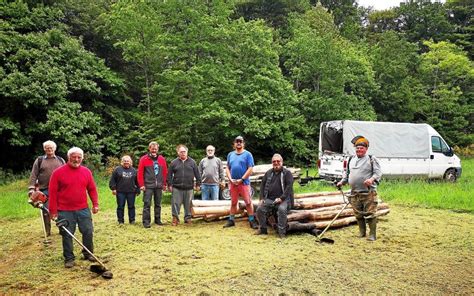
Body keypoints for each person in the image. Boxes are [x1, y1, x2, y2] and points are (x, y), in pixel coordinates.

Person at [48, 147, 99, 268]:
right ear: (68, 157)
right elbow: (52, 193)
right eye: (74, 157)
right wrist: (53, 211)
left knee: (88, 231)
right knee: (67, 234)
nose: (76, 160)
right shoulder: (58, 173)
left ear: (82, 158)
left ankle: (88, 253)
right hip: (64, 211)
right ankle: (69, 258)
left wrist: (95, 204)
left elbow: (92, 189)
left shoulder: (86, 172)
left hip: (83, 209)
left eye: (79, 157)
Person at [337, 136, 382, 241]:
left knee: (370, 214)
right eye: (357, 148)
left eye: (361, 148)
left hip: (368, 192)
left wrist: (371, 180)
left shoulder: (371, 159)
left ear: (366, 149)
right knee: (358, 214)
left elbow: (378, 173)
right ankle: (362, 232)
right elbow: (347, 174)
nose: (359, 150)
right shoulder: (351, 159)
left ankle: (372, 235)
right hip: (355, 193)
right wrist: (342, 182)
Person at [27, 140, 65, 236]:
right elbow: (33, 175)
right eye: (47, 147)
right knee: (46, 211)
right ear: (44, 149)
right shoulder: (39, 160)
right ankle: (47, 231)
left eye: (51, 147)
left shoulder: (60, 160)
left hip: (59, 189)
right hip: (44, 189)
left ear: (55, 149)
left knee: (61, 210)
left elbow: (66, 173)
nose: (49, 149)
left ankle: (62, 229)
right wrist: (31, 188)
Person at [223, 136, 258, 229]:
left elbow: (250, 168)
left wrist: (242, 179)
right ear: (234, 144)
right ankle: (231, 220)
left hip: (244, 183)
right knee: (233, 202)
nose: (238, 143)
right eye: (237, 141)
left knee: (248, 202)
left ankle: (251, 220)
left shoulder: (248, 154)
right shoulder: (230, 154)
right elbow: (227, 167)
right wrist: (230, 179)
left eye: (240, 141)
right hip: (233, 183)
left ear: (243, 143)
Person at [256, 154, 294, 238]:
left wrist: (281, 198)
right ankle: (263, 230)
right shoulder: (269, 173)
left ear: (282, 162)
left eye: (278, 161)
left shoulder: (287, 173)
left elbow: (289, 187)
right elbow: (262, 185)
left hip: (284, 200)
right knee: (260, 209)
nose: (276, 163)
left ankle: (281, 233)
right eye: (274, 161)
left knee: (281, 209)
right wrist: (262, 198)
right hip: (270, 199)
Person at [167, 144, 200, 226]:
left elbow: (197, 174)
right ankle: (175, 219)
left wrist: (198, 184)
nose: (183, 153)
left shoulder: (192, 162)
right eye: (181, 152)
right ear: (178, 153)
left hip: (189, 187)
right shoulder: (173, 163)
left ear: (187, 152)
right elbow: (169, 174)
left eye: (184, 151)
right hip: (177, 187)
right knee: (175, 204)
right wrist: (170, 185)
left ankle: (188, 218)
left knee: (188, 204)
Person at [137, 141, 168, 228]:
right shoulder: (144, 159)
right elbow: (140, 173)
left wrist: (164, 184)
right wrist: (141, 184)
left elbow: (165, 172)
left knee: (158, 204)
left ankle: (157, 219)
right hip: (148, 185)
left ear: (158, 149)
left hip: (159, 185)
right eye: (152, 148)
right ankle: (146, 221)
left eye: (156, 149)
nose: (154, 150)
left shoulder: (162, 159)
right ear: (149, 148)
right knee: (147, 203)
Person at [109, 155, 140, 225]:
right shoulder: (117, 170)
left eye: (128, 161)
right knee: (120, 206)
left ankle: (132, 220)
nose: (126, 162)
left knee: (131, 206)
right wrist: (113, 188)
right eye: (125, 161)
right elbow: (112, 180)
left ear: (130, 162)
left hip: (131, 192)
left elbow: (137, 181)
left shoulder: (134, 170)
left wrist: (138, 190)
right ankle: (120, 221)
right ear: (122, 162)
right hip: (120, 192)